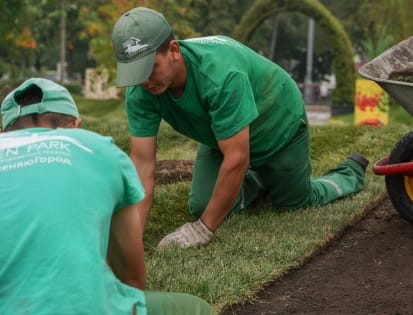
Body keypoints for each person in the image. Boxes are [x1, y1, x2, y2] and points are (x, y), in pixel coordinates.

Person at [111, 7, 369, 249]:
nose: (143, 80)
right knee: (202, 205)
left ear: (174, 51)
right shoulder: (141, 91)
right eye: (135, 72)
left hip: (279, 126)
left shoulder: (221, 75)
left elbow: (237, 158)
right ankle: (259, 179)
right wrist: (132, 240)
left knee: (295, 202)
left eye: (150, 68)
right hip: (224, 136)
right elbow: (143, 165)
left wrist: (203, 230)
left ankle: (349, 172)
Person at [0, 78, 212, 315]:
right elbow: (132, 280)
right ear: (75, 126)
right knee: (196, 309)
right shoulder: (98, 149)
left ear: (5, 132)